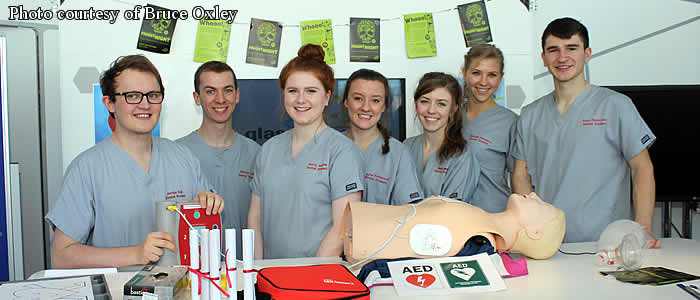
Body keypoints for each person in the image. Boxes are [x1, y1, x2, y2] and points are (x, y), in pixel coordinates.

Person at [46, 55, 224, 268]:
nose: (145, 104)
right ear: (109, 103)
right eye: (132, 96)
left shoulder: (183, 158)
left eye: (153, 95)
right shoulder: (86, 169)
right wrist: (136, 254)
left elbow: (205, 233)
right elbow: (62, 255)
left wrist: (205, 204)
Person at [511, 17, 660, 245]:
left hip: (610, 242)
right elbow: (520, 175)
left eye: (572, 48)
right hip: (549, 242)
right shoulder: (530, 115)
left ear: (587, 54)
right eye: (553, 50)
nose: (562, 58)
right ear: (544, 59)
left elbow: (642, 168)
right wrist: (533, 224)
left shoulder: (616, 106)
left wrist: (643, 228)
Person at [247, 44, 365, 259]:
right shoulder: (269, 149)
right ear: (284, 95)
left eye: (311, 91)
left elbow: (342, 228)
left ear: (327, 97)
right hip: (269, 280)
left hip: (316, 282)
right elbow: (255, 220)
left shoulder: (342, 151)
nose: (301, 100)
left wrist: (309, 280)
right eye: (293, 91)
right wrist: (256, 273)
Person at [343, 192, 566, 269]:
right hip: (360, 233)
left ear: (535, 232)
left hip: (361, 249)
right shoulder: (481, 226)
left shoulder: (478, 244)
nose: (536, 196)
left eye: (543, 205)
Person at [176, 61, 260, 260]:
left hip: (243, 271)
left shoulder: (256, 154)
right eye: (211, 91)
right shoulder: (177, 154)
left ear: (237, 95)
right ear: (197, 98)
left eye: (227, 90)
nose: (220, 99)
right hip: (194, 273)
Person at [342, 69, 423, 205]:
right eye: (358, 98)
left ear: (384, 106)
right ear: (346, 101)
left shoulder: (398, 154)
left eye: (375, 100)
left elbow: (408, 210)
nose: (366, 107)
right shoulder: (329, 147)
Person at [404, 72, 480, 202]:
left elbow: (452, 210)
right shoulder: (406, 147)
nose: (431, 110)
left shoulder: (460, 155)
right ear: (416, 103)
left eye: (441, 104)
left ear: (454, 109)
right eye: (425, 101)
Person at [462, 44, 518, 213]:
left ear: (501, 78)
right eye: (476, 73)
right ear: (464, 73)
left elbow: (519, 178)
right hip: (453, 217)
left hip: (494, 215)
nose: (483, 82)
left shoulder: (511, 123)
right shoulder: (449, 116)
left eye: (492, 75)